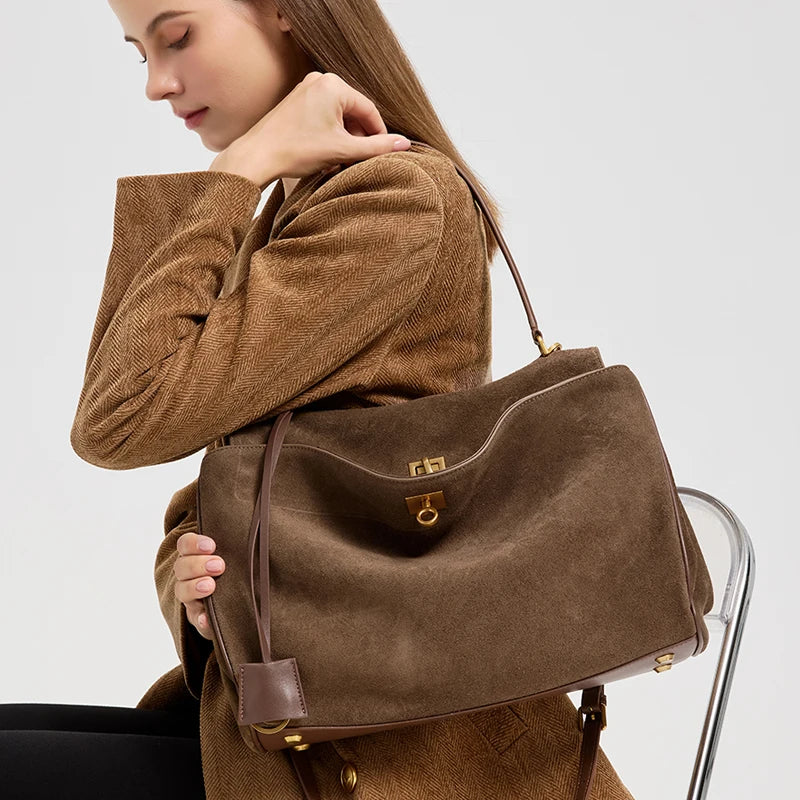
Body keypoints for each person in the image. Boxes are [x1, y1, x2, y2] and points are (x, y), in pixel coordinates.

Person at [1, 1, 637, 798]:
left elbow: (120, 416)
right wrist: (194, 582)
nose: (158, 84)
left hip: (386, 745)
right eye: (140, 55)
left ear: (283, 10)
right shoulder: (297, 210)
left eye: (177, 37)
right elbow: (248, 476)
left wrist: (237, 169)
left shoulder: (392, 201)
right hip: (306, 708)